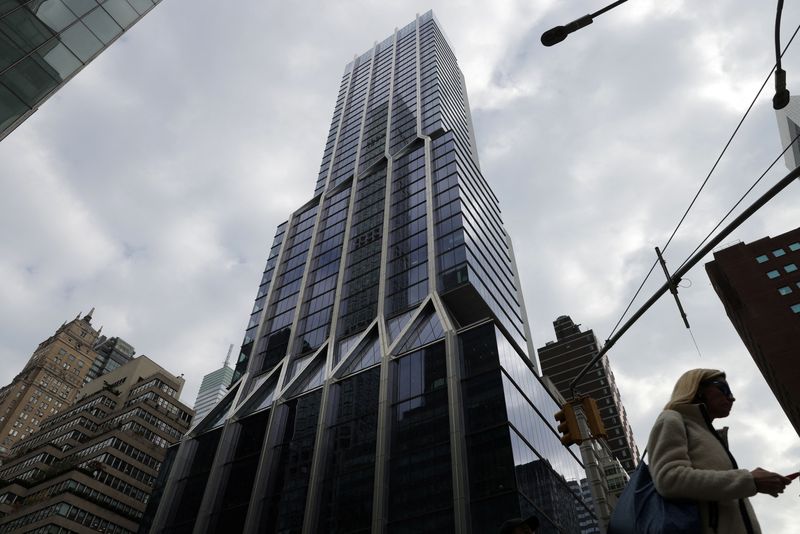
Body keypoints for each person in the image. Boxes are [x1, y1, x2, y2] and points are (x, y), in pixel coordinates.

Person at [647, 368, 791, 534]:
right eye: (724, 389)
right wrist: (749, 480)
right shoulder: (672, 418)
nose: (732, 398)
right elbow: (669, 479)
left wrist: (752, 483)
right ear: (698, 389)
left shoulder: (709, 434)